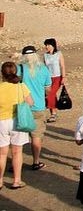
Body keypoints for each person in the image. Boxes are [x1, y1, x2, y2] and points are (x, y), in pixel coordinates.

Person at [17, 45, 51, 171]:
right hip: (38, 106)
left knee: (18, 138)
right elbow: (48, 89)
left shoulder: (20, 69)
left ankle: (16, 162)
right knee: (36, 136)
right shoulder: (43, 69)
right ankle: (36, 161)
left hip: (22, 107)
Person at [0, 61, 32, 190]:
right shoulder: (21, 86)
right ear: (15, 71)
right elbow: (30, 102)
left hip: (2, 121)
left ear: (2, 74)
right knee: (17, 152)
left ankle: (0, 180)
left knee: (2, 154)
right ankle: (16, 180)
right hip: (18, 120)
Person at [43, 37, 66, 122]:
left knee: (51, 94)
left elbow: (62, 66)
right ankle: (53, 112)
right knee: (51, 94)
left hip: (57, 77)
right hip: (48, 78)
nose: (46, 47)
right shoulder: (45, 55)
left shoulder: (58, 54)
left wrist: (64, 77)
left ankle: (53, 113)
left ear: (53, 45)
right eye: (46, 45)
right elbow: (44, 68)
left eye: (48, 45)